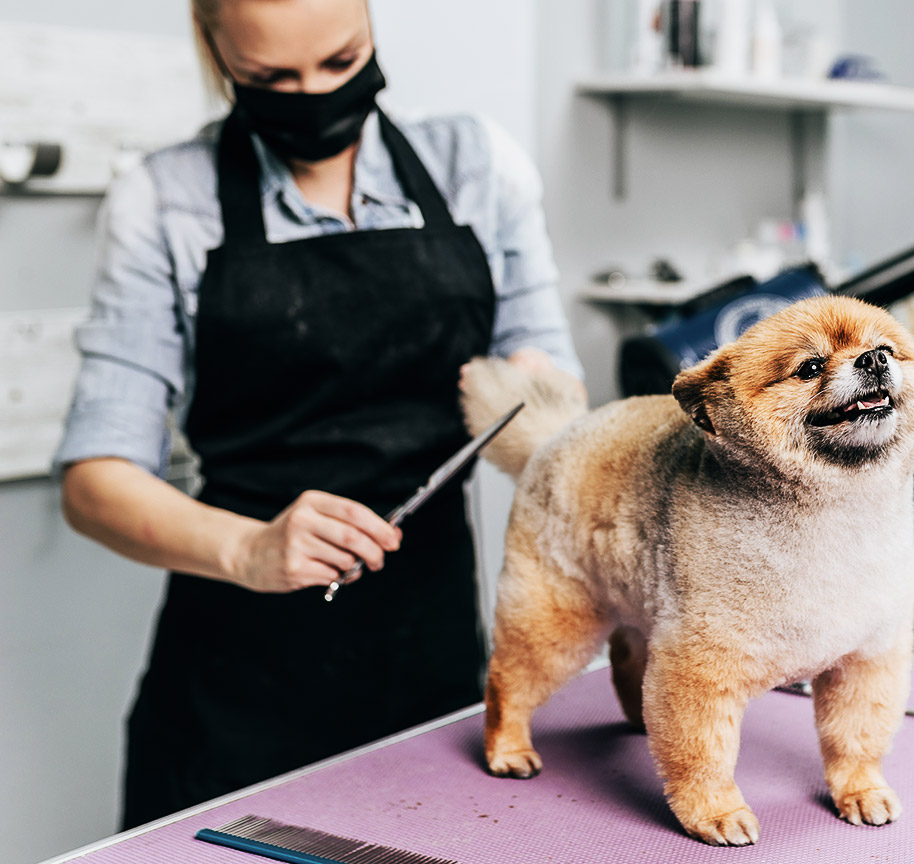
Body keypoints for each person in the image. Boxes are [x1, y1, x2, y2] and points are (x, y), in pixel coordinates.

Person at [54, 0, 583, 829]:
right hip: (232, 692)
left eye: (342, 61)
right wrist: (250, 546)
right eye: (270, 78)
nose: (313, 95)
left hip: (432, 664)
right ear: (216, 48)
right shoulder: (165, 201)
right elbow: (95, 483)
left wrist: (537, 398)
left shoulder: (474, 165)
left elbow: (555, 402)